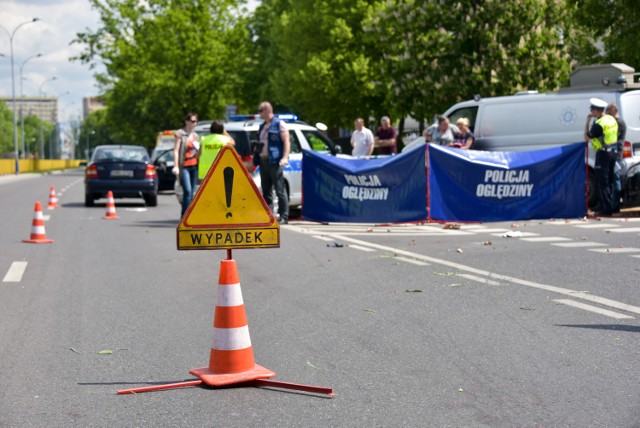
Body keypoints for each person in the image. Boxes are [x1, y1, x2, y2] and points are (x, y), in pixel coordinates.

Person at [257, 101, 291, 224]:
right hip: (263, 161)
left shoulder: (279, 124)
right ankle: (269, 216)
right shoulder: (262, 126)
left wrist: (285, 157)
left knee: (279, 189)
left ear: (267, 110)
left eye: (260, 110)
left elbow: (286, 141)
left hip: (275, 161)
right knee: (266, 190)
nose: (259, 113)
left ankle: (284, 216)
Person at [584, 98, 619, 216]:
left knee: (601, 181)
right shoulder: (611, 119)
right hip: (613, 151)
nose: (591, 112)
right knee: (609, 180)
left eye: (591, 109)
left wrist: (588, 122)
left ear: (596, 110)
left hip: (603, 153)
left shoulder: (599, 124)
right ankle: (609, 205)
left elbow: (587, 137)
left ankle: (606, 208)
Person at [173, 112, 201, 217]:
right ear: (187, 122)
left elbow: (197, 154)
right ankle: (184, 216)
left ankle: (188, 216)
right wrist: (176, 165)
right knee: (188, 191)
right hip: (184, 166)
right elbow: (176, 150)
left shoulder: (196, 136)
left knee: (192, 193)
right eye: (193, 121)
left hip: (194, 166)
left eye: (196, 122)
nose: (195, 124)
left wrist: (199, 150)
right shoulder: (180, 134)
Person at [605, 103, 627, 213]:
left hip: (616, 154)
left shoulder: (619, 123)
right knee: (612, 180)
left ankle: (615, 206)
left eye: (608, 110)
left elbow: (611, 136)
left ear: (614, 110)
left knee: (616, 179)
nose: (607, 112)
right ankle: (612, 204)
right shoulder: (614, 122)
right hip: (612, 153)